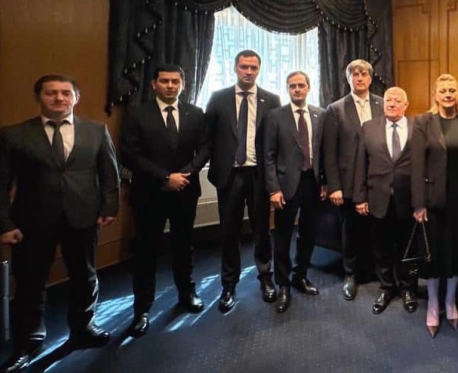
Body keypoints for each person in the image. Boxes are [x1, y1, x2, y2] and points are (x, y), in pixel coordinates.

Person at [0, 75, 119, 372]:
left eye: (66, 93)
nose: (59, 98)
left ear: (76, 98)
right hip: (31, 220)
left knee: (85, 276)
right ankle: (29, 340)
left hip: (83, 216)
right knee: (30, 282)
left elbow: (109, 173)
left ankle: (83, 327)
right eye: (51, 93)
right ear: (39, 97)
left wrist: (109, 207)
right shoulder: (13, 134)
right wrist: (3, 224)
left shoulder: (96, 130)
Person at [120, 64, 211, 337]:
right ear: (154, 84)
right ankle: (142, 309)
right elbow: (129, 154)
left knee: (184, 246)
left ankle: (186, 294)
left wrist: (185, 174)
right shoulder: (137, 113)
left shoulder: (196, 113)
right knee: (146, 252)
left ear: (183, 84)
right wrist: (164, 177)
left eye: (175, 81)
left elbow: (205, 148)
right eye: (164, 81)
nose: (170, 86)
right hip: (149, 193)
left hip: (185, 190)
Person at [205, 50, 281, 312]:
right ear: (235, 68)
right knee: (229, 231)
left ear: (259, 69)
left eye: (253, 67)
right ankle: (229, 284)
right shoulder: (218, 98)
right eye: (244, 67)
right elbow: (208, 138)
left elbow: (276, 140)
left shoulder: (271, 99)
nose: (249, 71)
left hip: (259, 175)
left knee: (262, 230)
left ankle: (265, 277)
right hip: (230, 175)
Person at [410, 74, 458, 338]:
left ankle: (450, 302)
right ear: (435, 95)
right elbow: (416, 165)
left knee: (457, 253)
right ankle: (433, 304)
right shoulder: (423, 122)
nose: (448, 94)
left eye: (452, 90)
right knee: (433, 254)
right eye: (443, 90)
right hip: (433, 201)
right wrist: (419, 203)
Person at [263, 71, 325, 313]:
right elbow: (268, 156)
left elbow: (324, 152)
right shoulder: (275, 116)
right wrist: (273, 189)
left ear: (308, 87)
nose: (297, 89)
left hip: (313, 184)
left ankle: (301, 276)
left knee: (308, 234)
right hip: (285, 186)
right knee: (282, 236)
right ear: (287, 89)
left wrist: (325, 182)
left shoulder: (320, 114)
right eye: (292, 86)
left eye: (301, 85)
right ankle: (283, 284)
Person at [323, 59, 384, 300]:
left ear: (370, 78)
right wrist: (334, 186)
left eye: (363, 74)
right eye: (354, 74)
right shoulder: (335, 109)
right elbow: (329, 151)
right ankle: (350, 274)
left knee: (376, 228)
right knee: (350, 230)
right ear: (348, 79)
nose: (359, 78)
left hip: (377, 180)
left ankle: (374, 270)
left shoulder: (383, 104)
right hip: (347, 182)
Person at [354, 87, 417, 316]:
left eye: (397, 100)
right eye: (388, 99)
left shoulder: (417, 127)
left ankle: (408, 288)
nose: (392, 103)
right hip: (378, 198)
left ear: (406, 105)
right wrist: (360, 197)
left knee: (407, 247)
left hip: (408, 200)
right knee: (381, 247)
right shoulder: (369, 127)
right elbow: (361, 163)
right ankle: (386, 287)